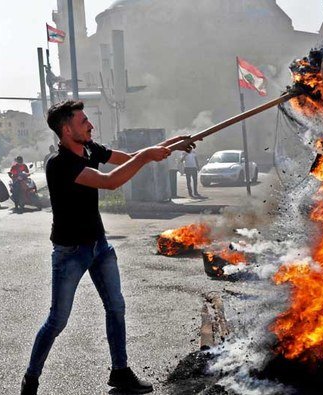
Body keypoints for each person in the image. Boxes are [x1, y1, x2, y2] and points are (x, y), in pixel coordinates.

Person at [21, 100, 194, 395]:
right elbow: (110, 181)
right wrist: (149, 156)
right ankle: (31, 379)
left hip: (99, 246)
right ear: (66, 129)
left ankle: (120, 372)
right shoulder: (60, 164)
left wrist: (172, 145)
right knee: (57, 320)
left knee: (116, 306)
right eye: (84, 121)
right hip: (70, 252)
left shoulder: (89, 149)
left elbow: (129, 158)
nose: (90, 125)